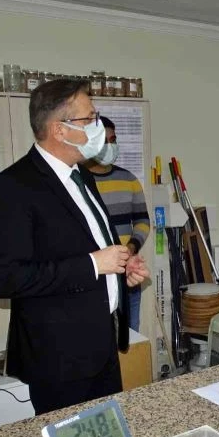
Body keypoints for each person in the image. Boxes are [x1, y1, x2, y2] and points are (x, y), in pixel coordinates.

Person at [0, 79, 149, 415]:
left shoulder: (82, 176)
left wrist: (120, 267)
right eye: (90, 118)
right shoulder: (13, 188)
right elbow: (3, 278)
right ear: (60, 129)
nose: (97, 126)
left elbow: (90, 243)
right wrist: (94, 264)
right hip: (59, 359)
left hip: (102, 346)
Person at [84, 116, 150, 332]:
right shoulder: (79, 182)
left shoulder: (128, 179)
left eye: (113, 140)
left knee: (130, 338)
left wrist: (130, 248)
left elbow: (142, 221)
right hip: (94, 280)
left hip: (128, 275)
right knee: (97, 338)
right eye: (104, 141)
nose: (110, 146)